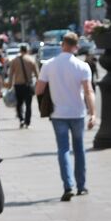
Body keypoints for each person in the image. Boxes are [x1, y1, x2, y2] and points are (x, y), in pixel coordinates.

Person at [35, 31, 96, 201]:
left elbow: (39, 89)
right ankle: (81, 186)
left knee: (63, 150)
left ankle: (68, 186)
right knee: (79, 149)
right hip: (78, 113)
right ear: (76, 47)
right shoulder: (82, 66)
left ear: (63, 44)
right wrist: (93, 113)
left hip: (58, 113)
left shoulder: (49, 65)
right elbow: (88, 91)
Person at [6, 43, 37, 128]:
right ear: (27, 50)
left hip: (18, 85)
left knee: (19, 104)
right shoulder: (31, 60)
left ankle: (21, 119)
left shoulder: (14, 60)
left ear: (20, 50)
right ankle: (27, 122)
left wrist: (9, 86)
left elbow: (11, 74)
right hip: (28, 85)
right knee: (28, 105)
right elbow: (37, 74)